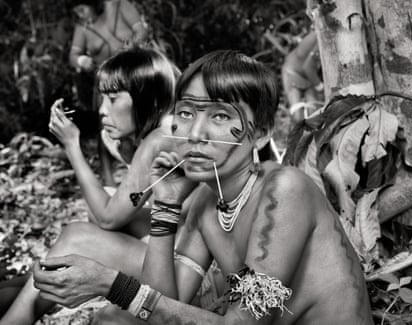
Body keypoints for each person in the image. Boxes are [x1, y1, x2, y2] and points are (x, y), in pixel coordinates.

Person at [28, 50, 374, 325]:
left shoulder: (285, 190)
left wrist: (110, 282)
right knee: (113, 319)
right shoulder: (209, 201)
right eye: (188, 113)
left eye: (220, 116)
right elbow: (164, 305)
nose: (194, 134)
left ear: (262, 133)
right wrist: (165, 206)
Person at [0, 45, 179, 324]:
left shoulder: (160, 139)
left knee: (76, 238)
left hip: (186, 274)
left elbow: (107, 219)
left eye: (112, 99)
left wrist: (72, 145)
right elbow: (111, 211)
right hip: (172, 252)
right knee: (39, 276)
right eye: (102, 98)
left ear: (147, 98)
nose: (102, 110)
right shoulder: (167, 129)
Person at [69, 0, 150, 185]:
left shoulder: (120, 6)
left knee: (142, 121)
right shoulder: (83, 28)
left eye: (82, 7)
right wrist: (82, 61)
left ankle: (145, 170)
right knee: (104, 127)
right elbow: (73, 56)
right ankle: (108, 178)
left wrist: (133, 44)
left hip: (134, 74)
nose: (79, 13)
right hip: (105, 81)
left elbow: (142, 31)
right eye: (76, 10)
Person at [281, 30, 324, 123]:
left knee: (314, 113)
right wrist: (320, 87)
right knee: (297, 115)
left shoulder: (323, 36)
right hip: (292, 74)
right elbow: (308, 67)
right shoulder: (320, 36)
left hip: (308, 79)